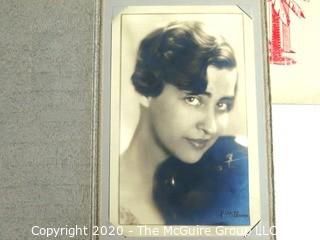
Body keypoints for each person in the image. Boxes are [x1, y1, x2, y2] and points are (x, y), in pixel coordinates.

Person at [119, 21, 249, 225]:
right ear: (145, 91)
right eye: (194, 99)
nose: (211, 127)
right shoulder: (108, 196)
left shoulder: (216, 192)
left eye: (222, 105)